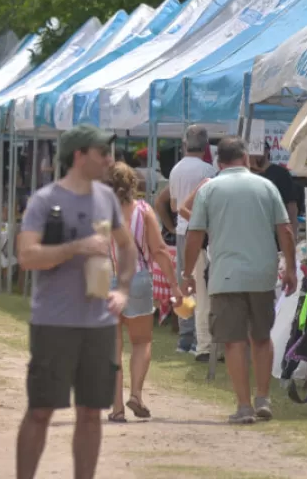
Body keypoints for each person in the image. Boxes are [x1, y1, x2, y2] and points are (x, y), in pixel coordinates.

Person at [14, 125, 132, 479]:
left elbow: (125, 246)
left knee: (91, 412)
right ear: (79, 155)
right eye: (102, 152)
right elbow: (26, 256)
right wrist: (76, 248)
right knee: (40, 410)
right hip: (53, 323)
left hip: (98, 324)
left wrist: (123, 288)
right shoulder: (44, 200)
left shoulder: (107, 198)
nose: (109, 160)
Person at [183, 136, 297, 425]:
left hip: (225, 275)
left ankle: (244, 406)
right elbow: (286, 230)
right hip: (262, 273)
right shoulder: (267, 186)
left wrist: (186, 274)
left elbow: (194, 234)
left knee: (233, 341)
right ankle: (263, 398)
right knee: (261, 337)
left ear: (219, 163)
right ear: (246, 158)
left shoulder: (209, 189)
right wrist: (292, 269)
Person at [106, 162, 181, 422]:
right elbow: (160, 250)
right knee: (141, 341)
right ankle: (136, 394)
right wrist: (173, 285)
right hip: (137, 278)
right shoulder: (143, 210)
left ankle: (116, 408)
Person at [169, 125, 217, 357]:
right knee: (201, 287)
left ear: (185, 144)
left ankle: (184, 337)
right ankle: (200, 338)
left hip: (181, 229)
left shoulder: (176, 169)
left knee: (185, 284)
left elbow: (172, 204)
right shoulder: (209, 169)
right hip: (198, 232)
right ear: (206, 145)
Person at [249, 146, 300, 230]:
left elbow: (291, 206)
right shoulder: (245, 175)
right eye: (252, 151)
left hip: (274, 229)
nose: (255, 154)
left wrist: (292, 230)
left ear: (267, 151)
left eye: (259, 150)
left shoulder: (281, 173)